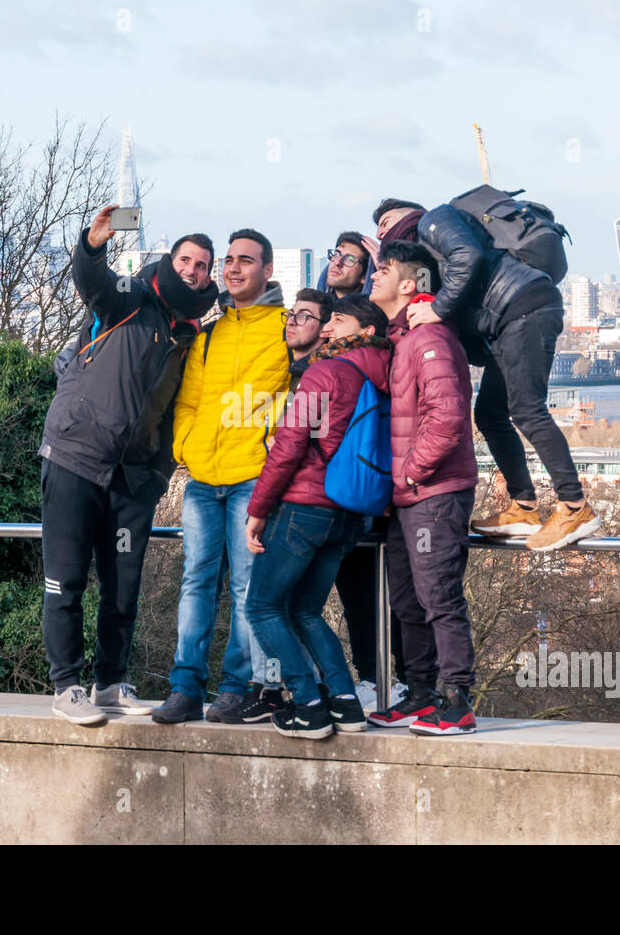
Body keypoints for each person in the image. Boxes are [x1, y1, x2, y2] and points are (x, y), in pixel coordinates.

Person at [39, 205, 217, 725]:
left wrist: (157, 474)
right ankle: (66, 686)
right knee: (65, 581)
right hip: (76, 457)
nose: (193, 270)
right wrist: (92, 245)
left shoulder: (191, 335)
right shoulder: (132, 300)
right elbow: (94, 281)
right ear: (170, 260)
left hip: (133, 478)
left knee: (123, 589)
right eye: (186, 259)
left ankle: (110, 683)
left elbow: (171, 413)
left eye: (203, 265)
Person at [378, 196, 601, 551]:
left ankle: (575, 507)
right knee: (490, 413)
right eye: (377, 226)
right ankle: (523, 506)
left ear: (410, 213)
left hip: (523, 306)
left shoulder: (435, 219)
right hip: (509, 318)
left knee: (527, 409)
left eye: (386, 220)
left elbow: (470, 255)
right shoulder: (425, 260)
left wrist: (437, 309)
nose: (381, 229)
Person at [152, 228, 293, 725]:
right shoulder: (209, 331)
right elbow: (187, 400)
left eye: (246, 260)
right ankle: (185, 688)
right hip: (202, 479)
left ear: (268, 270)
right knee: (195, 584)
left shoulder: (284, 327)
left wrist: (270, 449)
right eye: (229, 261)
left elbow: (302, 394)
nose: (234, 268)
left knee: (247, 589)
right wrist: (185, 447)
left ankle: (236, 689)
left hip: (253, 477)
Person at [244, 293, 392, 738]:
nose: (326, 328)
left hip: (305, 507)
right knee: (306, 610)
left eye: (337, 321)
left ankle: (308, 704)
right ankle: (346, 704)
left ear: (365, 331)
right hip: (353, 512)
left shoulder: (324, 371)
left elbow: (290, 443)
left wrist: (258, 509)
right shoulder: (389, 376)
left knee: (263, 606)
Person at [366, 241, 479, 736]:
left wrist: (411, 473)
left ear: (410, 284)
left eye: (383, 270)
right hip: (407, 496)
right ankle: (420, 694)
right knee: (408, 600)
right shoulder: (405, 336)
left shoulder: (429, 338)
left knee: (439, 597)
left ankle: (457, 702)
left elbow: (448, 415)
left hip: (433, 492)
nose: (374, 277)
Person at [315, 231, 372, 298]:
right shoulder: (318, 305)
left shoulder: (373, 307)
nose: (337, 262)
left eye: (350, 259)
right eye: (336, 254)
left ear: (365, 276)